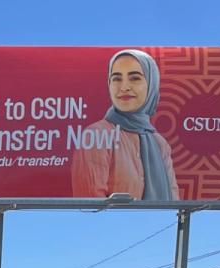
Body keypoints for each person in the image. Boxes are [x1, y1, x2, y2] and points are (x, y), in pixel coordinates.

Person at [70, 49, 177, 200]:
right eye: (116, 79)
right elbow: (89, 206)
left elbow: (174, 204)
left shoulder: (159, 143)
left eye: (134, 78)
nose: (124, 87)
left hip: (161, 224)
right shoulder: (96, 135)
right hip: (110, 224)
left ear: (151, 85)